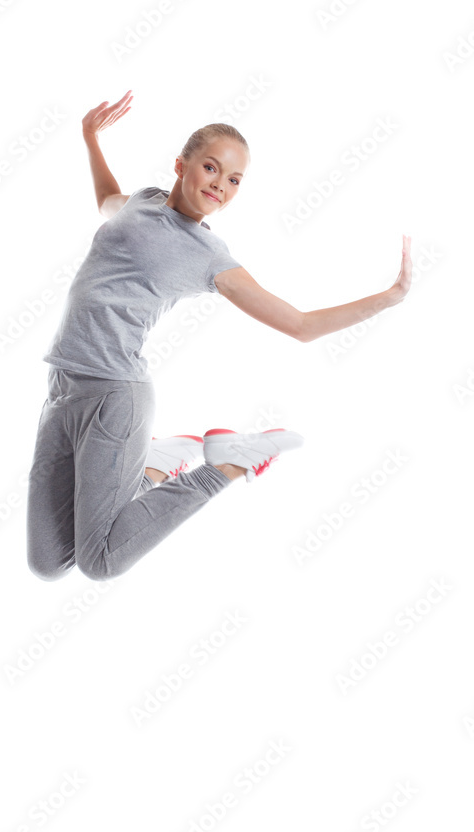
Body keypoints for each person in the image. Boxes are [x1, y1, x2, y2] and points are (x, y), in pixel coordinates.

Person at [26, 89, 412, 582]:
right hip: (62, 391)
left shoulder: (208, 255)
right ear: (181, 165)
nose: (221, 185)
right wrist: (89, 137)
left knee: (98, 561)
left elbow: (300, 324)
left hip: (113, 395)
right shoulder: (142, 202)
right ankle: (153, 466)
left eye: (234, 180)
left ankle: (228, 463)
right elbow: (106, 202)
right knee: (47, 561)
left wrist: (390, 296)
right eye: (212, 168)